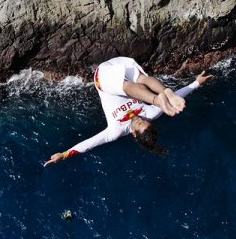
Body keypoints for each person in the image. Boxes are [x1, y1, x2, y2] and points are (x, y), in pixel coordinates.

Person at [45, 57, 213, 166]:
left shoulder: (116, 130)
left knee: (130, 87)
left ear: (133, 134)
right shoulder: (152, 114)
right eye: (144, 120)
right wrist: (196, 83)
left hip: (104, 78)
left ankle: (157, 98)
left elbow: (89, 144)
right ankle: (165, 92)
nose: (140, 117)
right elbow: (178, 97)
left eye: (139, 122)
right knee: (143, 80)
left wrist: (64, 155)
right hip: (124, 65)